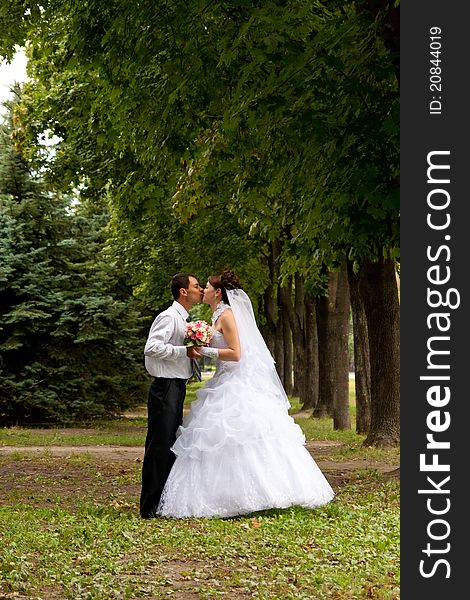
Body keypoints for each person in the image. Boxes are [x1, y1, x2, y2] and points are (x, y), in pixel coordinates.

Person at [156, 270, 334, 518]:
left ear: (217, 293)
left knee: (238, 436)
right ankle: (223, 495)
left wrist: (204, 352)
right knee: (216, 440)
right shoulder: (216, 314)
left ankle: (265, 492)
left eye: (206, 287)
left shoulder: (227, 314)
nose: (203, 291)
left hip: (234, 383)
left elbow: (236, 354)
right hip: (222, 379)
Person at [140, 272, 203, 519]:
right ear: (183, 291)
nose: (200, 289)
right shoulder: (168, 317)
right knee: (159, 445)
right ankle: (149, 507)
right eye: (196, 286)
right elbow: (151, 348)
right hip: (165, 387)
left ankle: (162, 502)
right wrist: (183, 351)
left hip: (176, 386)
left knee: (169, 444)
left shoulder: (184, 318)